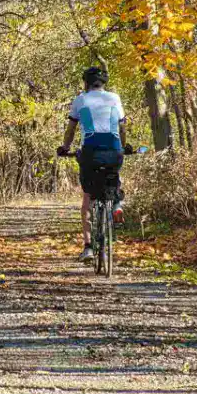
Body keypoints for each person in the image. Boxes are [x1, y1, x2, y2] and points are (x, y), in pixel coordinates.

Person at [57, 67, 132, 261]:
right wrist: (123, 147)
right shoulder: (115, 98)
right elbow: (122, 127)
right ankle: (116, 203)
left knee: (87, 199)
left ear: (86, 83)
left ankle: (88, 247)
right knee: (114, 177)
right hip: (113, 153)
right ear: (103, 84)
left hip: (90, 154)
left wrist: (65, 148)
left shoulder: (80, 100)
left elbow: (71, 130)